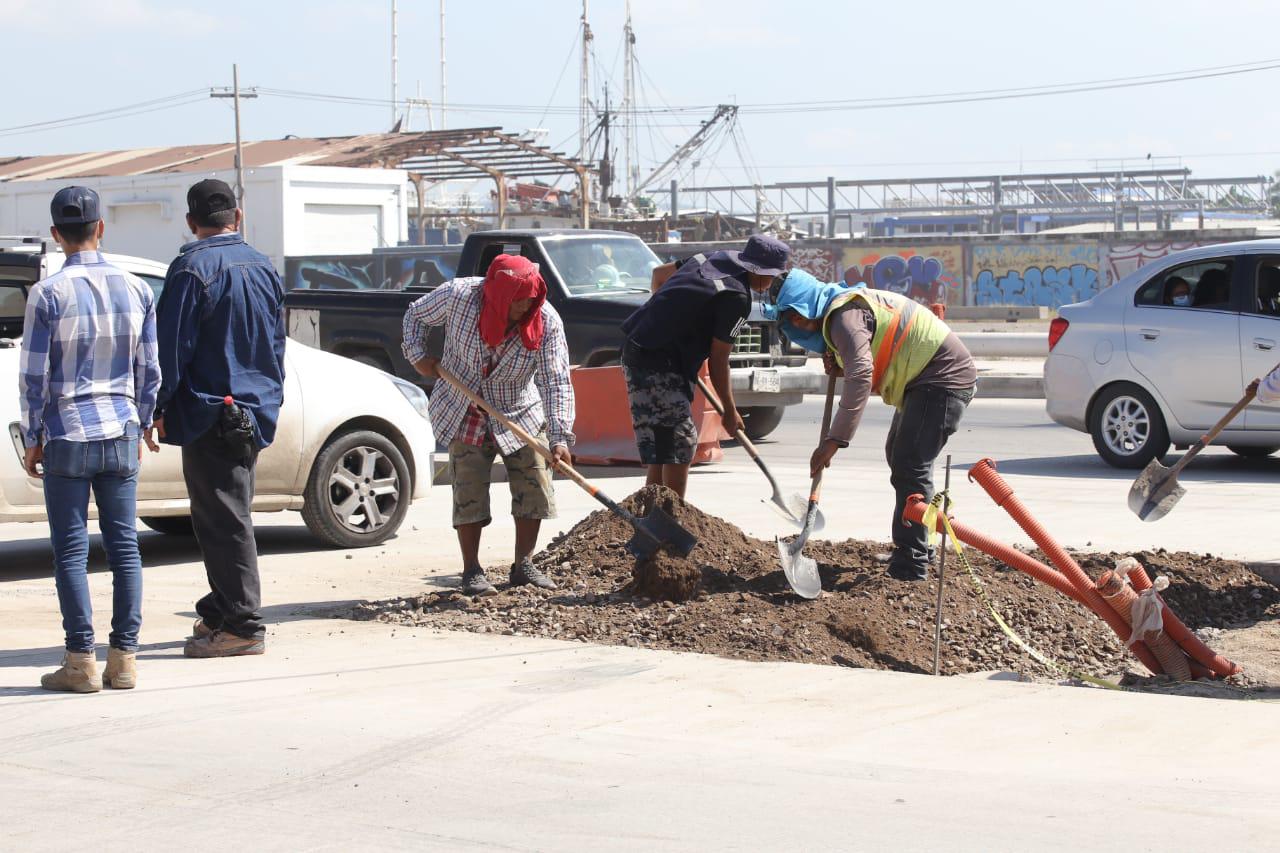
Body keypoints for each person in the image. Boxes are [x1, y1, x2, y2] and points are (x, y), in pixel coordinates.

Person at [19, 186, 161, 692]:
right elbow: (150, 368)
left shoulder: (48, 294)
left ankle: (80, 661)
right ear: (101, 228)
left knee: (71, 552)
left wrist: (33, 436)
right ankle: (125, 659)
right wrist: (144, 420)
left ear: (57, 236)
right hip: (121, 429)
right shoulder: (137, 288)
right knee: (126, 548)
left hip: (66, 433)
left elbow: (34, 377)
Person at [150, 179, 286, 658]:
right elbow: (276, 345)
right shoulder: (263, 265)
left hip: (213, 413)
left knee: (225, 520)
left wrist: (157, 406)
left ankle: (244, 627)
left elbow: (171, 349)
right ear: (238, 215)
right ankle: (219, 610)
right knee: (223, 516)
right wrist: (270, 400)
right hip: (252, 411)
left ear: (191, 223)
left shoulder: (192, 268)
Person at [768, 270, 977, 581]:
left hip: (942, 379)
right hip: (925, 379)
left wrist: (834, 439)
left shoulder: (845, 318)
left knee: (910, 465)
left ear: (803, 310)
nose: (794, 327)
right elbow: (870, 356)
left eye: (793, 319)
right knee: (901, 456)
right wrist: (840, 363)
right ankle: (919, 546)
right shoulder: (841, 313)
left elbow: (861, 376)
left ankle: (913, 562)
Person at [402, 254, 574, 597]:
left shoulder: (546, 320)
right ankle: (472, 571)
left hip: (518, 411)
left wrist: (559, 437)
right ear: (496, 296)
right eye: (517, 301)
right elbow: (415, 316)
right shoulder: (459, 296)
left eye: (531, 299)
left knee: (535, 484)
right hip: (463, 405)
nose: (525, 307)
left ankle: (523, 565)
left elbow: (556, 381)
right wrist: (417, 354)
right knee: (468, 490)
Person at [620, 235, 790, 498]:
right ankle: (670, 519)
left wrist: (663, 317)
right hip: (658, 361)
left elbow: (659, 275)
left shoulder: (715, 257)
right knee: (680, 443)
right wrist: (730, 412)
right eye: (773, 276)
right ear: (760, 272)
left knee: (664, 444)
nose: (772, 282)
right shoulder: (737, 298)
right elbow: (719, 359)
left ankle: (651, 517)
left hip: (643, 347)